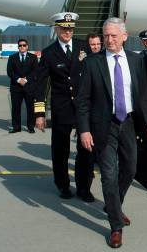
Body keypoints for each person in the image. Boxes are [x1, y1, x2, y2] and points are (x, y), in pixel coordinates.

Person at [77, 17, 147, 248]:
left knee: (130, 169)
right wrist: (84, 130)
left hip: (128, 123)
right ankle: (116, 226)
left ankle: (113, 206)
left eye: (113, 36)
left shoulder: (136, 60)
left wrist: (146, 123)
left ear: (125, 37)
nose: (108, 40)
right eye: (106, 35)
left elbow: (142, 95)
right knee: (108, 175)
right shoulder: (92, 63)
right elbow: (83, 101)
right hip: (103, 126)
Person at [33, 12, 95, 202]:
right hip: (62, 107)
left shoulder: (83, 47)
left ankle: (84, 187)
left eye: (70, 28)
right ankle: (62, 184)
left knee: (86, 149)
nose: (67, 31)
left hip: (83, 106)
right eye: (64, 28)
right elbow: (41, 85)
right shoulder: (49, 53)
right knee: (61, 150)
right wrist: (40, 113)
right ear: (57, 29)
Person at [7, 39, 38, 133]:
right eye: (20, 45)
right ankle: (16, 127)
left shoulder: (33, 57)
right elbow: (10, 71)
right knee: (16, 108)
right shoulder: (12, 57)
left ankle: (30, 126)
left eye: (24, 45)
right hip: (16, 87)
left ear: (27, 46)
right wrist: (18, 80)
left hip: (29, 87)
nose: (22, 47)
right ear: (18, 47)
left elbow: (35, 71)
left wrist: (25, 79)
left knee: (30, 108)